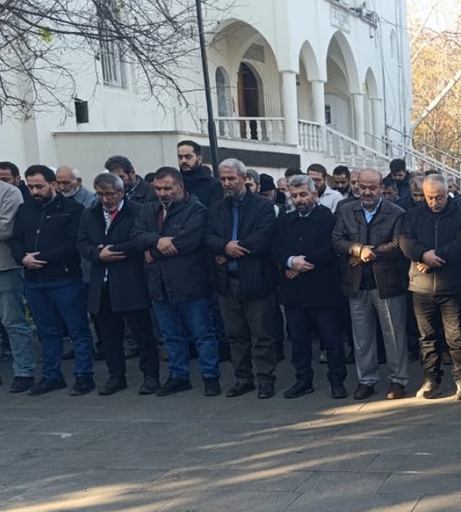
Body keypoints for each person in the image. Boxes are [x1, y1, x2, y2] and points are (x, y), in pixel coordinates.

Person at [130, 166, 221, 397]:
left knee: (202, 333)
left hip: (190, 282)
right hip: (159, 284)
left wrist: (154, 251)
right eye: (158, 188)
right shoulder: (148, 210)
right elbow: (136, 236)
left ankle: (211, 376)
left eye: (167, 188)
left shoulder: (196, 210)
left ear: (180, 187)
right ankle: (178, 375)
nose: (162, 193)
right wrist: (158, 240)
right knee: (170, 335)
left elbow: (187, 242)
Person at [9, 165, 95, 396]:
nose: (35, 191)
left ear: (53, 185)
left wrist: (41, 259)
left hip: (64, 279)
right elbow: (15, 239)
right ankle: (51, 376)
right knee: (47, 332)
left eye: (39, 186)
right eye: (30, 186)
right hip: (34, 281)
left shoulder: (72, 209)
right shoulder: (25, 210)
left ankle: (84, 375)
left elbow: (72, 243)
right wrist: (22, 259)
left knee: (77, 330)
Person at [332, 167, 410, 401]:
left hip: (387, 281)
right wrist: (356, 249)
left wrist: (370, 252)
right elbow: (336, 239)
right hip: (356, 282)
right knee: (362, 336)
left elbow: (398, 245)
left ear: (381, 188)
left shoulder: (396, 212)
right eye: (362, 187)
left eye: (372, 187)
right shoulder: (346, 210)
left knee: (394, 335)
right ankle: (366, 379)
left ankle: (398, 380)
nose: (366, 192)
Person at [78, 173, 160, 395]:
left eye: (110, 194)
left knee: (142, 333)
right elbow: (82, 243)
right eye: (101, 194)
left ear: (121, 192)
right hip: (100, 283)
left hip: (129, 281)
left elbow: (140, 240)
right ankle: (116, 376)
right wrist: (97, 253)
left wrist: (112, 250)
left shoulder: (137, 211)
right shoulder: (89, 214)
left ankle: (151, 375)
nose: (105, 199)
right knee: (108, 335)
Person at [205, 158, 278, 399]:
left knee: (261, 334)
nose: (226, 183)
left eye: (231, 179)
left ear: (243, 179)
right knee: (235, 334)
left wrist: (237, 248)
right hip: (227, 281)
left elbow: (263, 237)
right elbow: (208, 237)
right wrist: (225, 247)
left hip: (256, 279)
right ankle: (243, 378)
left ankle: (266, 378)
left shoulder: (262, 206)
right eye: (222, 179)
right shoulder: (216, 207)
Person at [398, 171, 461, 400]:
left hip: (452, 284)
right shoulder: (412, 215)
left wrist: (434, 258)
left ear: (447, 192)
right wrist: (421, 254)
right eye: (429, 197)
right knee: (427, 338)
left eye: (439, 197)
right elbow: (405, 241)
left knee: (457, 337)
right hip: (421, 287)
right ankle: (432, 379)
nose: (434, 202)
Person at [273, 175, 347, 399]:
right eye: (294, 196)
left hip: (322, 289)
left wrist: (303, 263)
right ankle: (303, 380)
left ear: (314, 194)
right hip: (293, 291)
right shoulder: (285, 220)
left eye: (303, 194)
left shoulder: (327, 218)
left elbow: (331, 247)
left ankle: (337, 381)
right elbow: (275, 246)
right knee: (298, 340)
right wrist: (290, 261)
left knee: (331, 339)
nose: (299, 199)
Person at [0, 148, 35, 392]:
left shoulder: (8, 192)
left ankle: (24, 370)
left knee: (13, 321)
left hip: (1, 267)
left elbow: (6, 227)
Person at [176, 140, 223, 208]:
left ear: (199, 159)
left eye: (188, 157)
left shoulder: (213, 185)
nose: (183, 161)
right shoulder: (174, 182)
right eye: (180, 157)